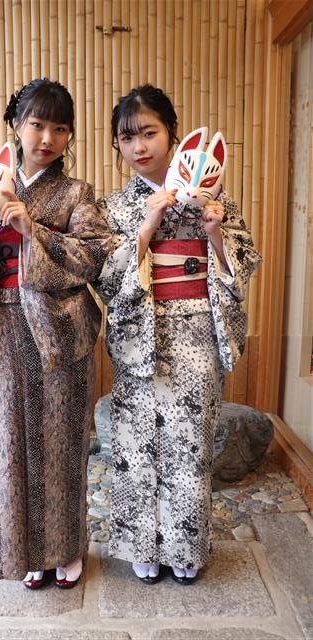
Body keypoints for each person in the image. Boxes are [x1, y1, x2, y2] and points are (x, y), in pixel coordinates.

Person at [0, 78, 110, 589]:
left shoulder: (76, 194)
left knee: (61, 443)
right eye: (37, 124)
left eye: (60, 128)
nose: (47, 138)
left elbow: (95, 254)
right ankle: (25, 552)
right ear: (16, 126)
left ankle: (65, 549)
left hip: (58, 333)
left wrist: (32, 231)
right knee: (8, 444)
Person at [94, 84, 262, 585]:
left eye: (149, 133)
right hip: (140, 337)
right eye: (127, 138)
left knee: (190, 445)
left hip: (196, 332)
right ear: (118, 145)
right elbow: (106, 276)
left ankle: (184, 546)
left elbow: (243, 263)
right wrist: (145, 228)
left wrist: (214, 231)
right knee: (136, 443)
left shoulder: (213, 198)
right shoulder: (114, 207)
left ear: (173, 134)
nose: (139, 146)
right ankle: (142, 545)